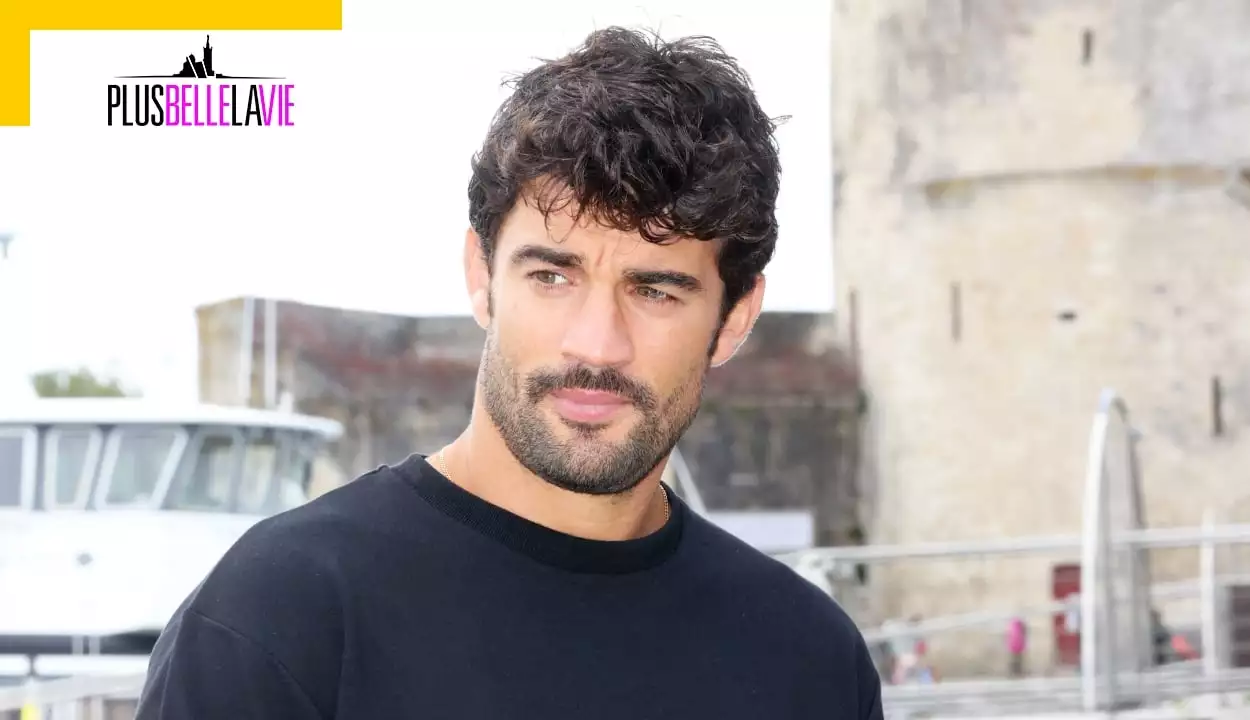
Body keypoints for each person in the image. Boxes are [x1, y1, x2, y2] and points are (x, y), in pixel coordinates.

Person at [135, 26, 884, 720]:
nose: (596, 345)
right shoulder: (280, 618)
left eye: (655, 291)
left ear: (736, 317)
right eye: (552, 277)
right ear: (481, 274)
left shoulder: (810, 661)